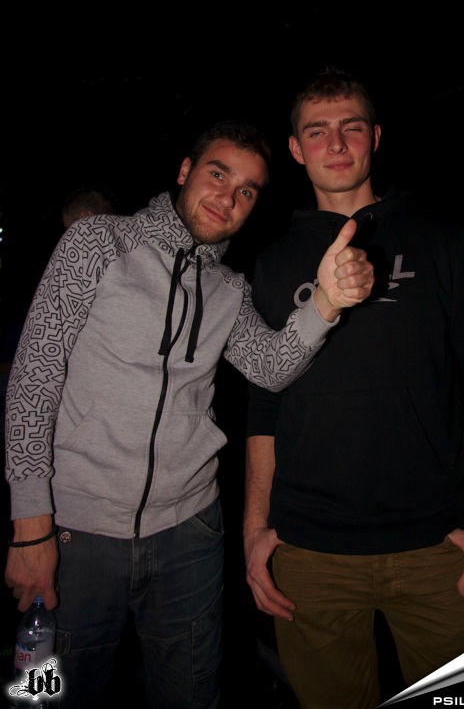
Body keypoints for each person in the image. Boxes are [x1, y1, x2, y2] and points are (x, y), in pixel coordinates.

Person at [3, 117, 374, 709]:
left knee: (191, 698)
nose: (228, 198)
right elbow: (34, 380)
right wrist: (31, 528)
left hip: (190, 535)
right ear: (184, 171)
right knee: (52, 697)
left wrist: (325, 303)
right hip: (76, 535)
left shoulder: (229, 288)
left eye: (247, 190)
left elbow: (270, 366)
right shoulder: (99, 243)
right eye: (218, 175)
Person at [243, 67, 464, 708]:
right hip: (308, 553)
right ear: (295, 149)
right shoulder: (273, 261)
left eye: (351, 127)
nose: (336, 143)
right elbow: (264, 400)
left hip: (442, 550)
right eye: (317, 131)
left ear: (375, 137)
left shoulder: (443, 237)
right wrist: (255, 531)